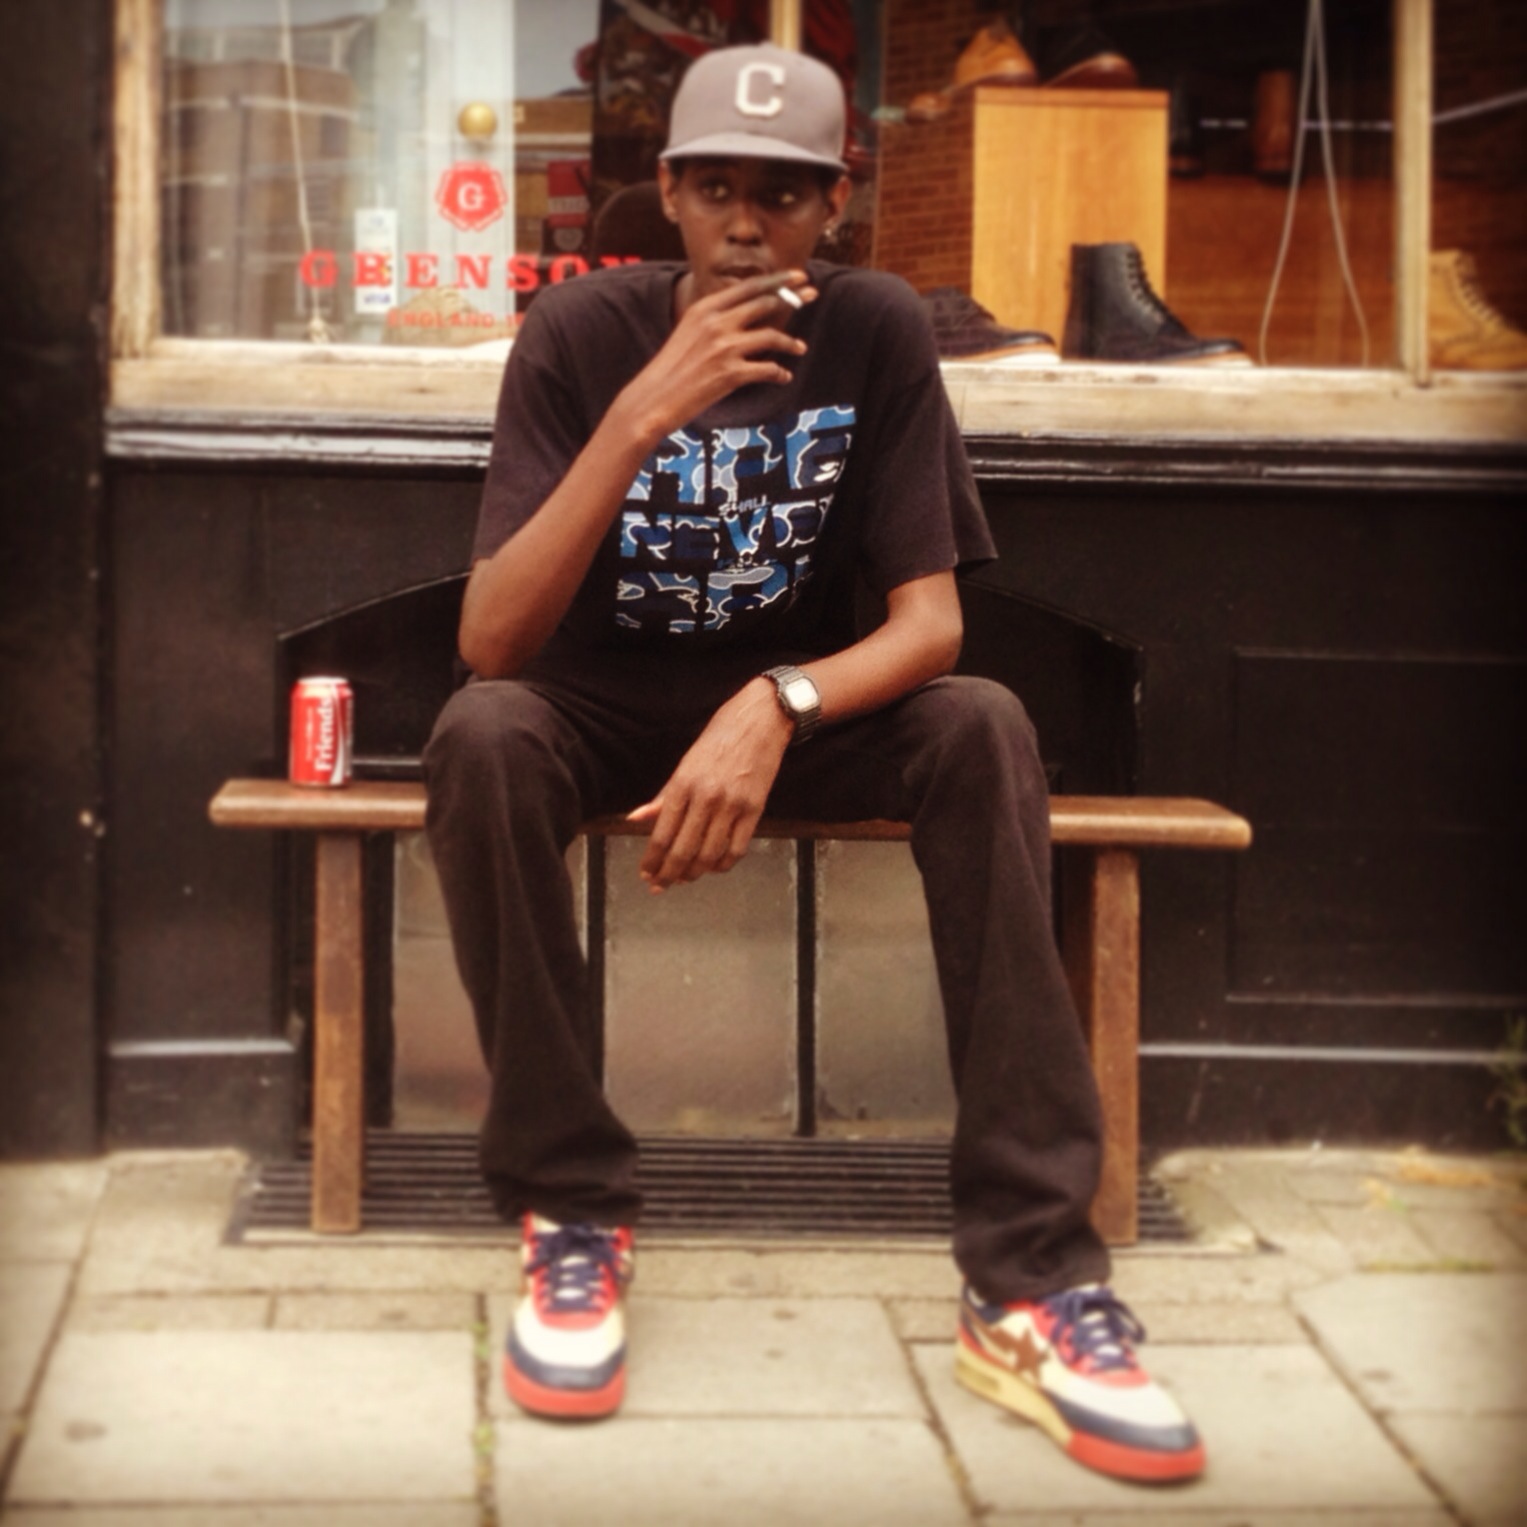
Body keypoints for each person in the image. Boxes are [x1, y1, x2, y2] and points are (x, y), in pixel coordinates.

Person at [423, 41, 1204, 1484]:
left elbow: (931, 627)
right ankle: (572, 1209)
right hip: (593, 708)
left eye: (782, 197)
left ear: (833, 206)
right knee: (479, 741)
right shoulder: (580, 336)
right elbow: (490, 640)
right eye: (714, 188)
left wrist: (777, 702)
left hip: (798, 715)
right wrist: (646, 410)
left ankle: (1029, 1279)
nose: (744, 226)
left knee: (984, 722)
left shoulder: (877, 329)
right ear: (661, 192)